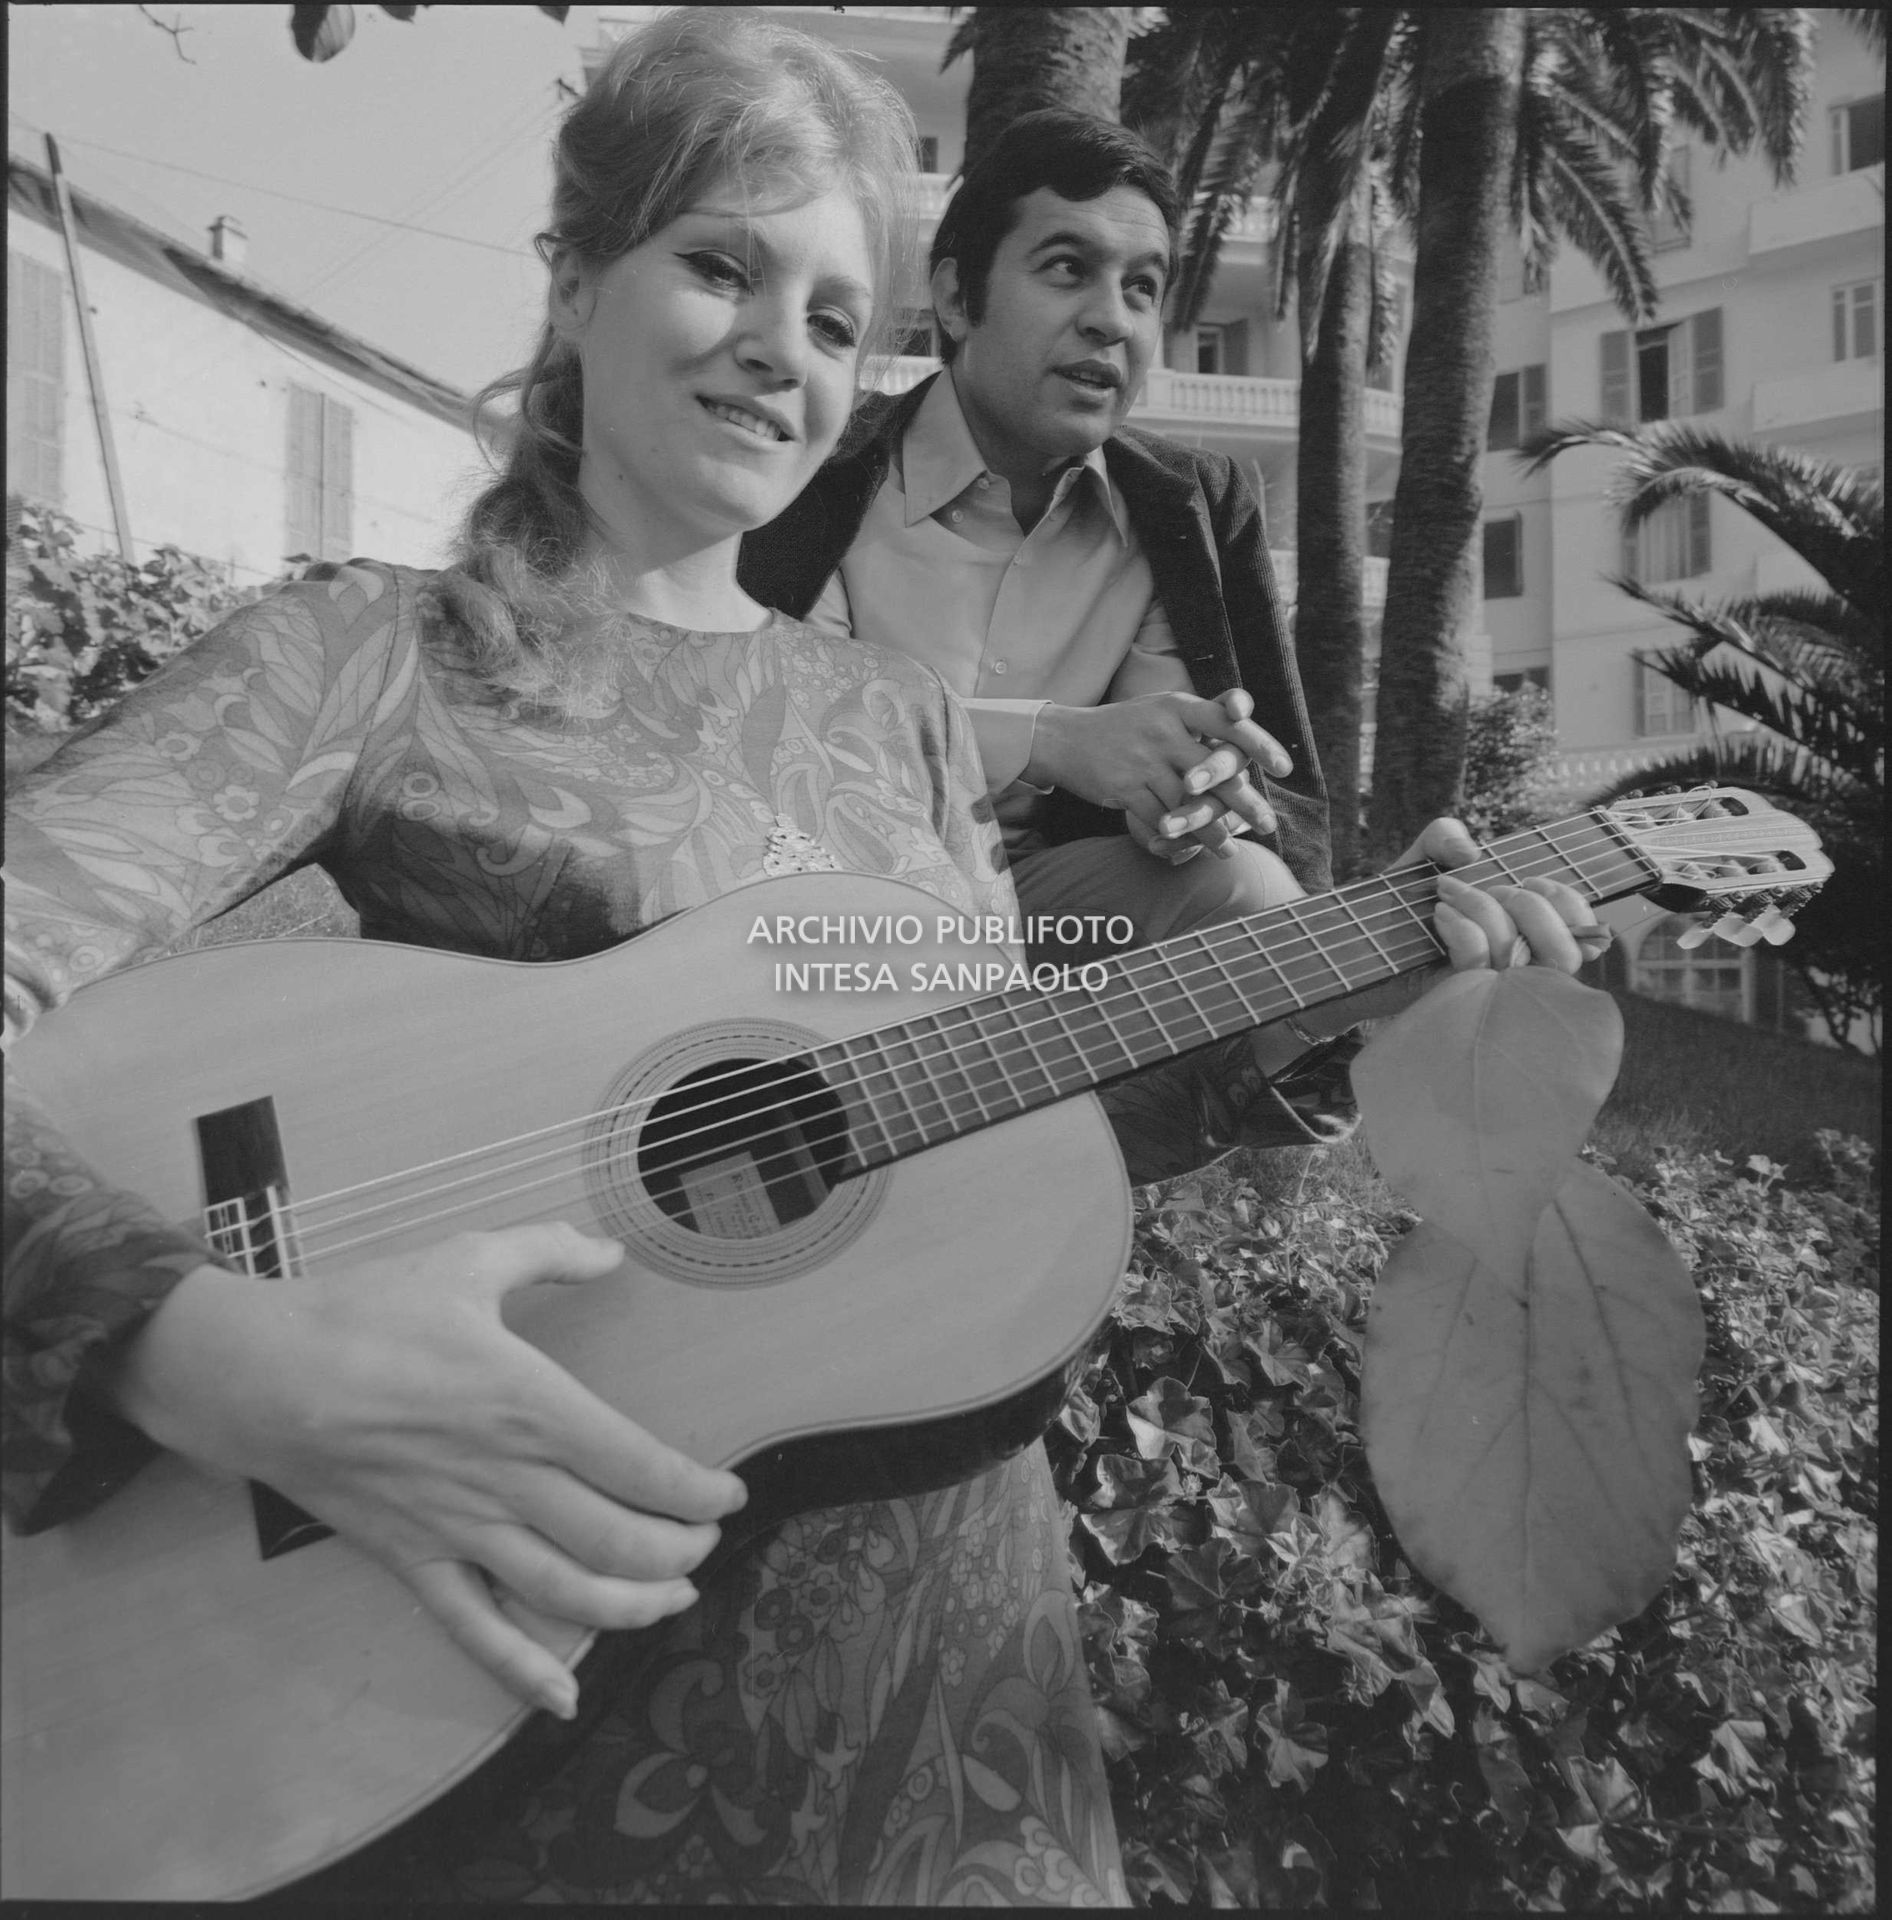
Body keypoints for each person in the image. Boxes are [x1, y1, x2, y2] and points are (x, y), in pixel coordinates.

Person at [2, 12, 1605, 1907]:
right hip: (506, 1687)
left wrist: (1347, 968)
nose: (782, 349)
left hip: (943, 1725)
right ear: (576, 278)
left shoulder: (900, 726)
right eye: (718, 266)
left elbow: (1002, 1122)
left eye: (838, 320)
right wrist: (196, 1350)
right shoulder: (366, 658)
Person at [740, 111, 1526, 1168]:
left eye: (1144, 288)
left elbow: (1205, 770)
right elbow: (769, 733)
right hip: (814, 924)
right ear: (957, 293)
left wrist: (1184, 799)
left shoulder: (1186, 505)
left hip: (1053, 933)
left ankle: (1165, 1142)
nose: (1111, 321)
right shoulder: (820, 471)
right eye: (1067, 269)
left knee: (1239, 887)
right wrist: (1054, 740)